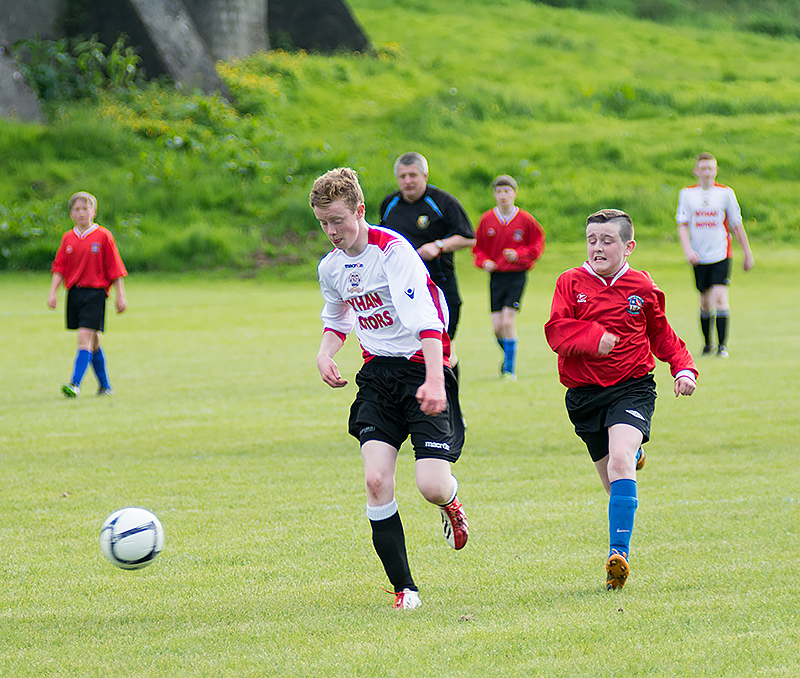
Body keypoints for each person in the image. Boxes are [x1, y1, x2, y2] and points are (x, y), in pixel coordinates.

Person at [311, 167, 469, 610]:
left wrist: (437, 381)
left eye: (339, 220)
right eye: (323, 223)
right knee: (376, 479)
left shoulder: (393, 252)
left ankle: (451, 503)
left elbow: (428, 322)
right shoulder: (331, 266)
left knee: (432, 486)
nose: (332, 231)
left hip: (423, 367)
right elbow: (337, 316)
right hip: (378, 376)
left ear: (360, 211)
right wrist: (326, 352)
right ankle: (406, 589)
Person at [544, 209, 697, 590]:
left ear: (628, 247)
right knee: (614, 484)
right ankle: (631, 454)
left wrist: (683, 368)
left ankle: (618, 555)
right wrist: (592, 339)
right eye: (592, 239)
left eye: (607, 240)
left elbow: (661, 333)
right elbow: (556, 333)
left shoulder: (643, 288)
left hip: (632, 386)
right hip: (583, 396)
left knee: (619, 459)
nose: (597, 247)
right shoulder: (570, 282)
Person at [379, 152, 475, 375]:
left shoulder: (442, 202)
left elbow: (468, 237)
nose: (407, 181)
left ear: (425, 175)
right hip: (402, 287)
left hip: (439, 285)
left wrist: (439, 245)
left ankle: (449, 405)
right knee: (409, 350)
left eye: (413, 175)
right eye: (402, 176)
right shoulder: (389, 204)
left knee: (441, 348)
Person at [47, 191, 127, 397]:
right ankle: (105, 386)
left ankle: (75, 384)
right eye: (77, 209)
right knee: (94, 341)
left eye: (85, 208)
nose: (82, 213)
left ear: (94, 211)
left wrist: (120, 295)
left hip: (95, 294)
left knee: (84, 339)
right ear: (71, 214)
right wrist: (53, 292)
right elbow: (59, 267)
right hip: (75, 293)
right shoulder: (68, 238)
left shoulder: (103, 236)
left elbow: (115, 268)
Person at [676, 152, 754, 358]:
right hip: (699, 256)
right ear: (696, 171)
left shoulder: (726, 193)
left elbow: (737, 225)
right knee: (705, 302)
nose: (707, 173)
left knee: (720, 299)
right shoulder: (687, 194)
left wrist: (747, 253)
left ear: (716, 170)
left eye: (711, 168)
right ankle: (707, 344)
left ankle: (722, 347)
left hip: (721, 253)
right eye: (703, 169)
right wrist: (688, 250)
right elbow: (682, 225)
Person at [473, 174, 545, 380]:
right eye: (498, 191)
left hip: (516, 276)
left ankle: (509, 371)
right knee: (497, 328)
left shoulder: (525, 219)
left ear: (514, 193)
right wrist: (484, 261)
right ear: (494, 195)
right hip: (496, 278)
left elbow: (537, 245)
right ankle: (508, 358)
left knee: (507, 322)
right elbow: (478, 249)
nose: (503, 195)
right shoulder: (487, 219)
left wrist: (519, 255)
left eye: (506, 191)